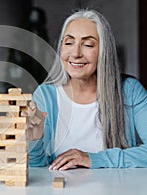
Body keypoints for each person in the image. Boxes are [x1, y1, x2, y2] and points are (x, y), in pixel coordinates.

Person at [27, 9, 147, 170]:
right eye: (68, 43)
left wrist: (93, 159)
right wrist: (34, 140)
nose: (76, 53)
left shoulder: (130, 91)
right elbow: (36, 168)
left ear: (104, 52)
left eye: (88, 45)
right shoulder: (45, 95)